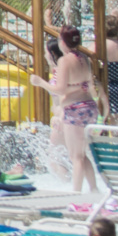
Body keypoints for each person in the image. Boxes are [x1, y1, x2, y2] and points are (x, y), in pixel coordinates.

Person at [49, 25, 104, 194]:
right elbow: (86, 86)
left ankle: (76, 194)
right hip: (89, 108)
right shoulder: (84, 58)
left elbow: (59, 89)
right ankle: (93, 188)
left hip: (74, 110)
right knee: (82, 154)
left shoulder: (64, 61)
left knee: (76, 157)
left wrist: (39, 82)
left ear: (63, 42)